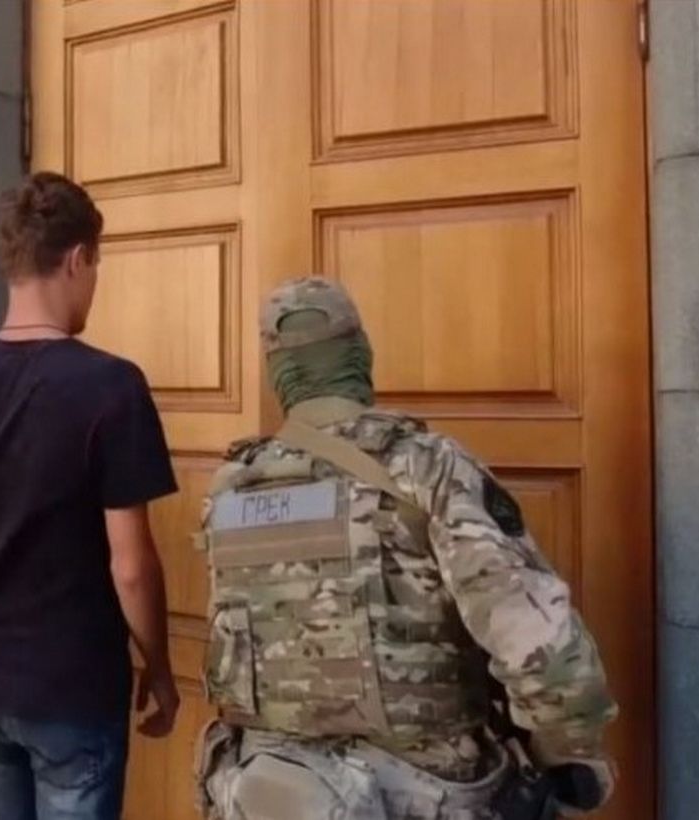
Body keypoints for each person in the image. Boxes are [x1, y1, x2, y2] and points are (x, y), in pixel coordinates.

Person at [193, 277, 618, 819]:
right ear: (361, 354)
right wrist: (569, 753)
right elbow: (539, 645)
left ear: (278, 374)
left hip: (269, 786)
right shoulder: (425, 466)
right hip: (420, 789)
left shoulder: (232, 487)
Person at [0, 171, 180, 820]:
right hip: (70, 686)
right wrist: (159, 667)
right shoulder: (111, 386)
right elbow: (131, 566)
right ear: (77, 259)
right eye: (96, 265)